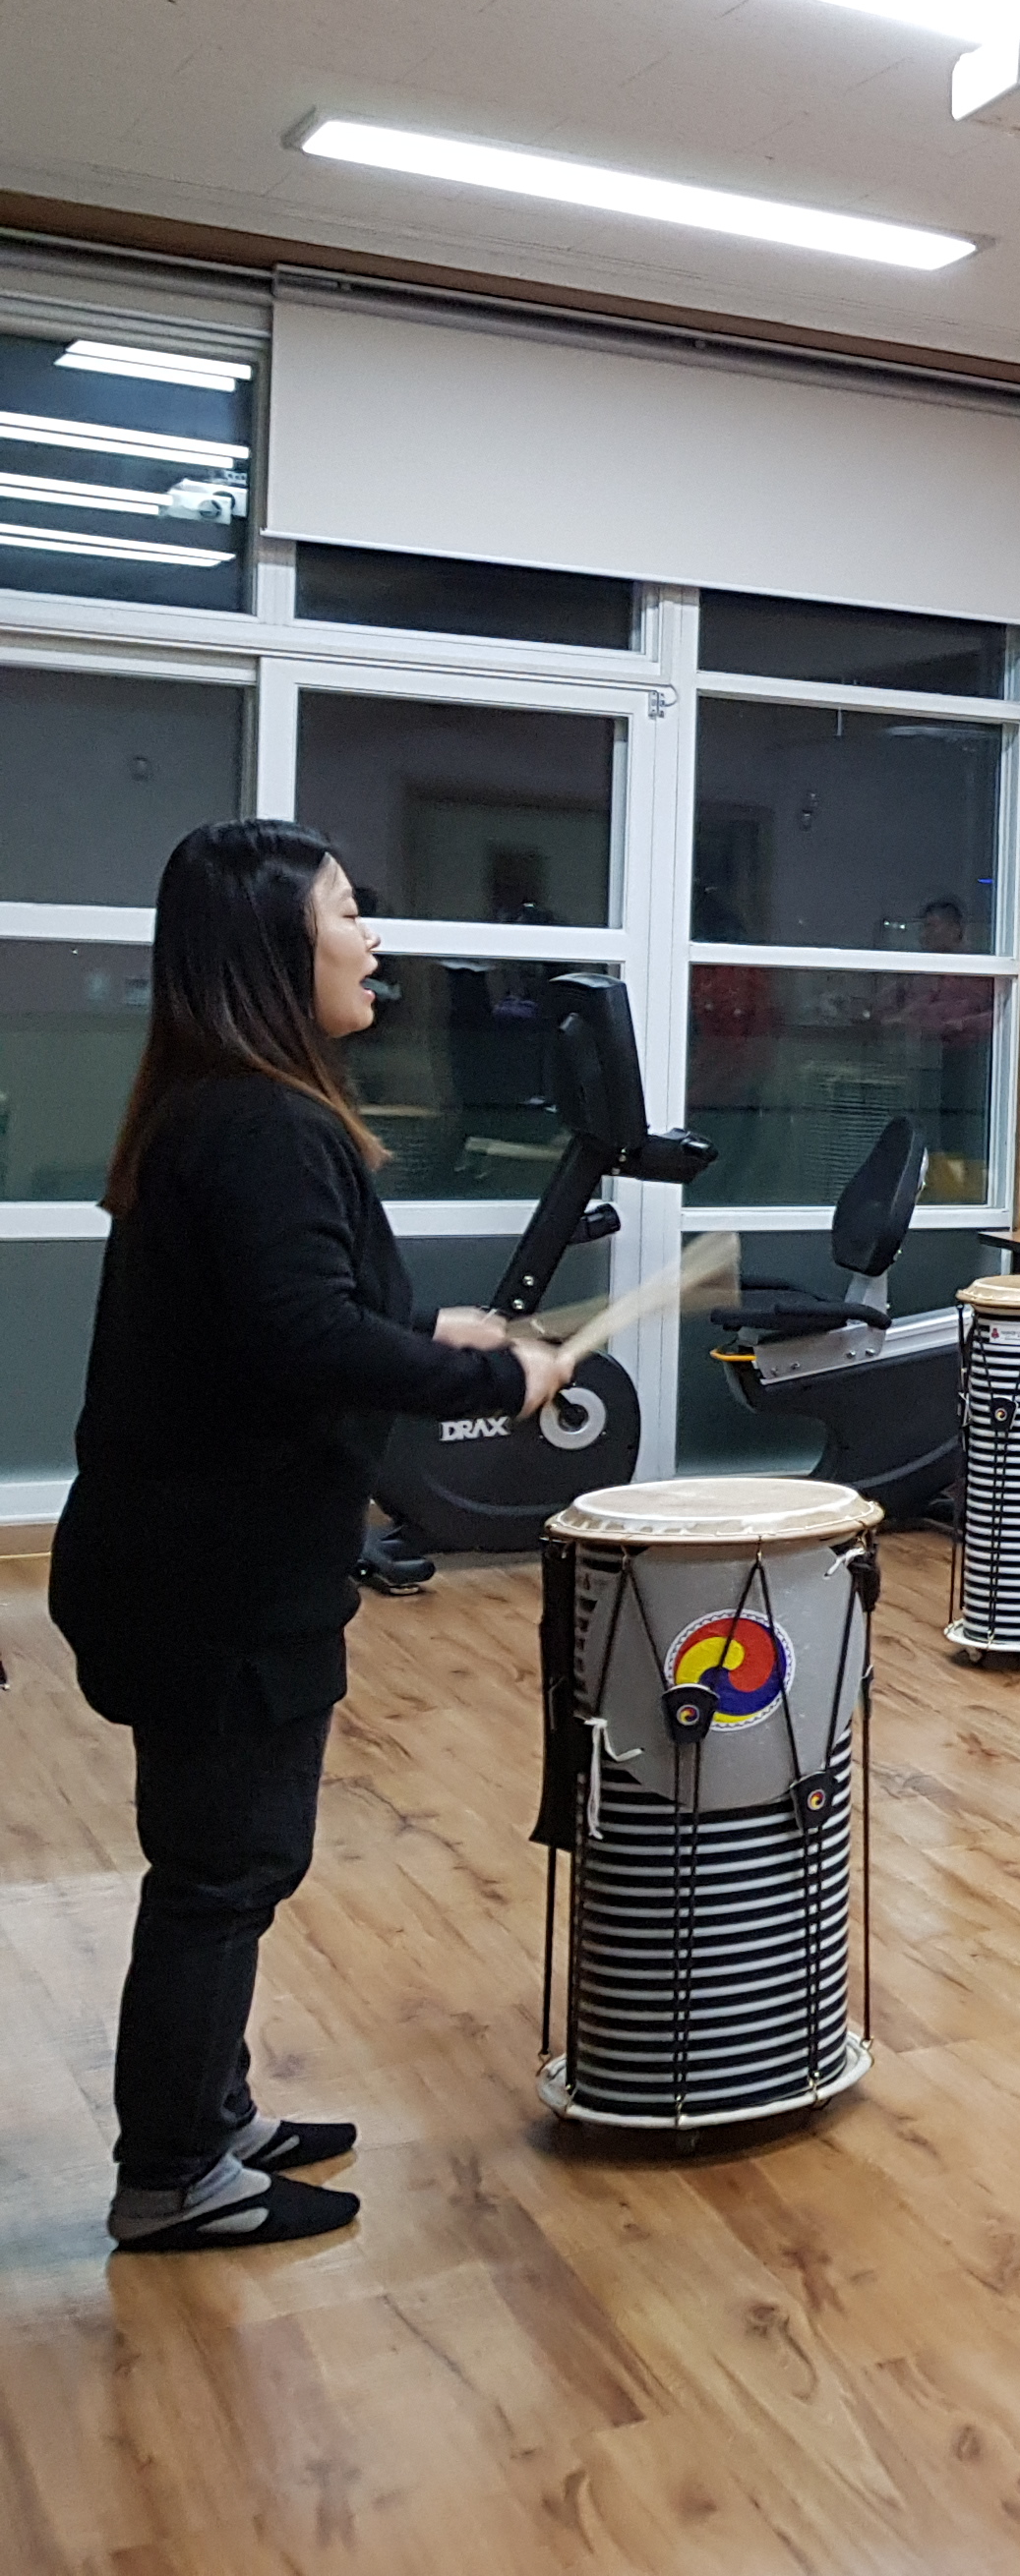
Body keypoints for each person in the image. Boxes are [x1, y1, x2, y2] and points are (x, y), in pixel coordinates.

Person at [52, 820, 561, 2254]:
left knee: (226, 1860)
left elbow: (281, 1314)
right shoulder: (263, 1123)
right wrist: (490, 1379)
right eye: (347, 912)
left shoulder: (227, 1108)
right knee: (225, 1871)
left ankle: (209, 2115)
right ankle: (172, 2172)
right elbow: (300, 1344)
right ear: (275, 950)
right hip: (214, 1580)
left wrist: (433, 1327)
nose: (372, 937)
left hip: (195, 1565)